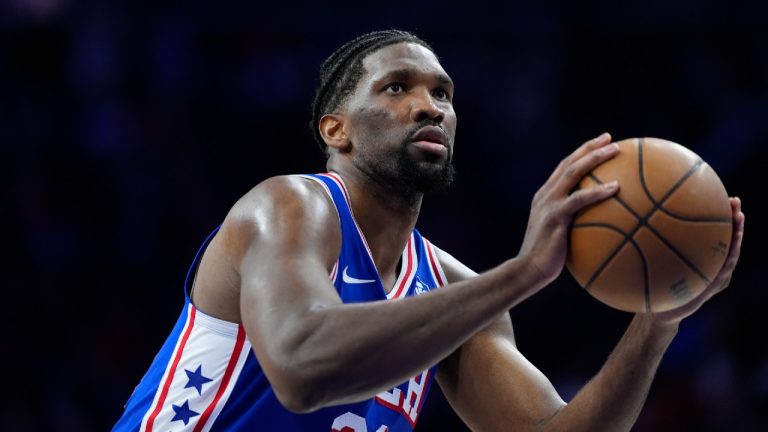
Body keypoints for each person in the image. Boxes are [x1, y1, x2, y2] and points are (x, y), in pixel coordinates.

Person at [113, 29, 745, 431]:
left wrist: (657, 321)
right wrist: (524, 273)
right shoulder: (288, 206)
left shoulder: (448, 286)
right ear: (338, 130)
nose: (429, 106)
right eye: (397, 87)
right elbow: (303, 367)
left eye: (443, 94)